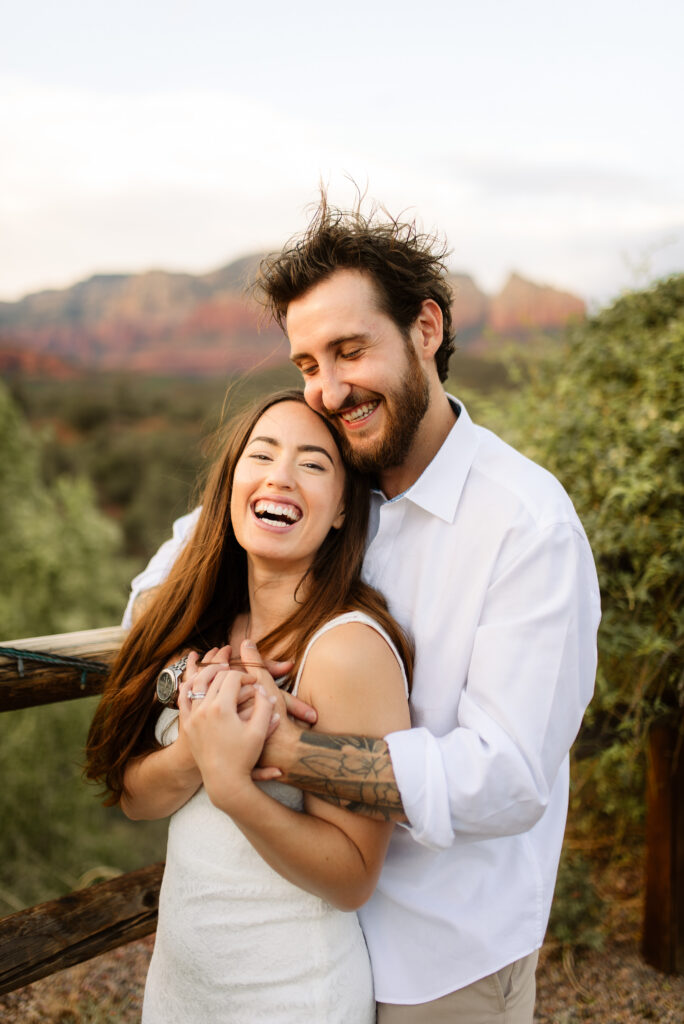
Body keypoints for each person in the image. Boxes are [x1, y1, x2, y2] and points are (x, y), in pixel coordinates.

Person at [125, 197, 601, 1023]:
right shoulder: (320, 473)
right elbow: (151, 603)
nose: (329, 389)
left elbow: (510, 777)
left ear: (425, 328)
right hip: (296, 933)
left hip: (441, 957)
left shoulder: (527, 523)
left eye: (350, 350)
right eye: (308, 362)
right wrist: (206, 689)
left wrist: (278, 745)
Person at [86, 389, 413, 1024]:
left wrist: (236, 787)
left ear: (344, 509)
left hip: (291, 996)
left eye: (314, 464)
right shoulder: (208, 629)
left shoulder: (346, 650)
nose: (280, 476)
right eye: (261, 455)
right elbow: (135, 798)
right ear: (232, 484)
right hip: (183, 988)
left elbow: (352, 878)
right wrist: (197, 748)